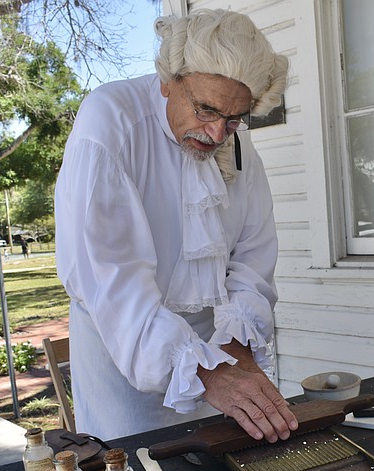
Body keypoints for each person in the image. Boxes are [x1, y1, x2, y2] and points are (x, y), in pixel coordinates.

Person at [54, 9, 297, 443]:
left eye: (235, 118)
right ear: (168, 79)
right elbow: (113, 282)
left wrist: (235, 353)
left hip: (221, 357)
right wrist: (205, 371)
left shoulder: (233, 139)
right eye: (206, 109)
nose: (218, 133)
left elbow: (252, 259)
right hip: (126, 353)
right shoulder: (110, 123)